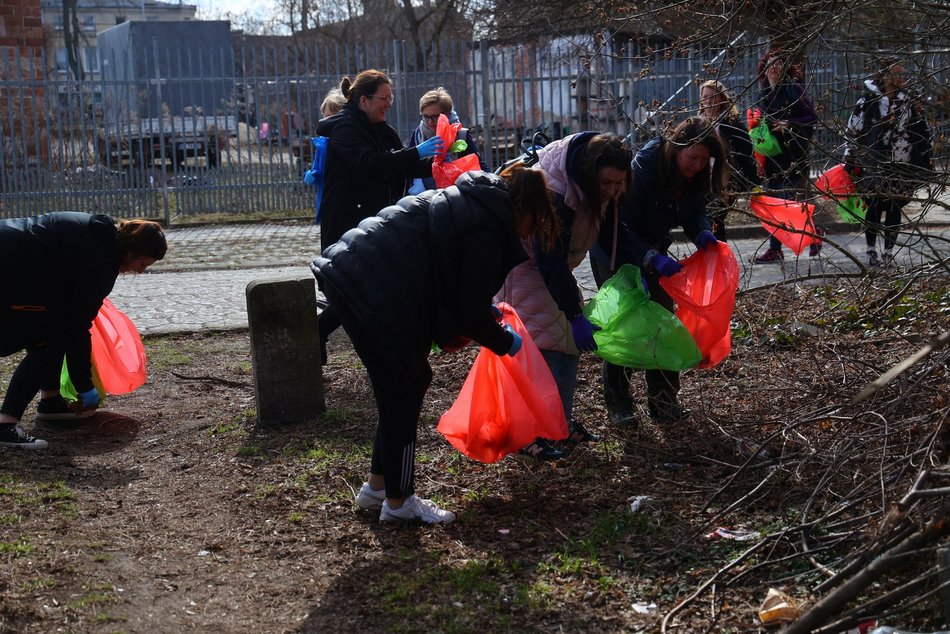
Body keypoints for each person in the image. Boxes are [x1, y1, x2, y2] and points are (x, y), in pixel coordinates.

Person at [311, 167, 560, 524]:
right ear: (526, 209)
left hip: (357, 274)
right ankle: (400, 503)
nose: (528, 235)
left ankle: (378, 487)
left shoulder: (477, 204)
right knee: (404, 387)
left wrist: (479, 309)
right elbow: (468, 314)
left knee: (408, 383)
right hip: (376, 291)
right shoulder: (490, 227)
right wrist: (506, 341)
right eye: (534, 224)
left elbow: (447, 273)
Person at [494, 132, 639, 459]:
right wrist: (573, 314)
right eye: (607, 183)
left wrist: (638, 265)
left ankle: (558, 424)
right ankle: (531, 434)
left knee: (565, 345)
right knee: (541, 351)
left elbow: (612, 231)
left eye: (619, 183)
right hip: (527, 269)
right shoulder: (557, 192)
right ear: (591, 174)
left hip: (550, 271)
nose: (613, 191)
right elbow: (548, 257)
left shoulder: (596, 187)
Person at [591, 118, 727, 424]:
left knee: (662, 324)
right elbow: (619, 226)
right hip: (614, 251)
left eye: (705, 160)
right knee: (625, 326)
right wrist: (649, 257)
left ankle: (663, 401)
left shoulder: (693, 176)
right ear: (677, 148)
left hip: (653, 252)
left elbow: (694, 211)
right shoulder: (643, 170)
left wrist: (702, 232)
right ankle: (619, 405)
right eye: (693, 158)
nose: (697, 165)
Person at [0, 212, 167, 450]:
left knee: (49, 329)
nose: (140, 271)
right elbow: (77, 327)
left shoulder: (101, 232)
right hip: (11, 270)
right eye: (142, 263)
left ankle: (51, 402)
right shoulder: (101, 260)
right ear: (131, 251)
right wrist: (84, 385)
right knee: (47, 342)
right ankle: (5, 425)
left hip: (15, 257)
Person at [314, 69, 444, 362]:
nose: (389, 103)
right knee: (354, 288)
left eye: (391, 97)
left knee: (372, 286)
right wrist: (416, 153)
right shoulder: (346, 129)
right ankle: (319, 332)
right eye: (384, 98)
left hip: (373, 221)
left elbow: (402, 163)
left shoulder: (381, 128)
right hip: (347, 224)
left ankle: (331, 335)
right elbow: (370, 163)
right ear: (363, 100)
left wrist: (440, 166)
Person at [844, 58, 932, 267]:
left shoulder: (907, 101)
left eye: (902, 73)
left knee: (895, 206)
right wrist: (850, 155)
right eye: (896, 73)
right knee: (874, 206)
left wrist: (925, 157)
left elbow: (920, 131)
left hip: (901, 163)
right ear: (884, 75)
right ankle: (871, 249)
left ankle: (888, 252)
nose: (901, 78)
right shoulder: (868, 100)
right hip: (874, 162)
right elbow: (852, 129)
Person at [751, 48, 820, 263]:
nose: (774, 68)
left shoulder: (793, 89)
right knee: (773, 203)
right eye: (771, 64)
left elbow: (811, 117)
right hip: (771, 158)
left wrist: (789, 124)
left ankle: (814, 235)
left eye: (779, 64)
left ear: (785, 68)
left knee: (790, 202)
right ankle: (776, 249)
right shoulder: (763, 93)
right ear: (764, 69)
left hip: (791, 157)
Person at [699, 79, 759, 241]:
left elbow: (747, 155)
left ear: (722, 99)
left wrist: (754, 184)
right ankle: (715, 256)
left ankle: (719, 256)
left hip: (727, 183)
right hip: (702, 182)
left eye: (713, 97)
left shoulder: (732, 125)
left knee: (714, 216)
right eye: (705, 97)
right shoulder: (697, 125)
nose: (709, 101)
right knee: (707, 221)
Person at [406, 87, 489, 193]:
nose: (430, 122)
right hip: (423, 197)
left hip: (455, 197)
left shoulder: (459, 134)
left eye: (435, 117)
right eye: (425, 116)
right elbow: (409, 165)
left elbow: (479, 165)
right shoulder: (418, 134)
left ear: (447, 115)